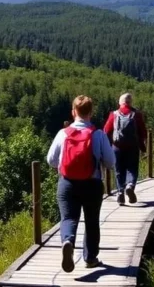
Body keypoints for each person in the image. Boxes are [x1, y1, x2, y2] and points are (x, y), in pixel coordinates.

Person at [46, 95, 116, 273]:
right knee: (91, 221)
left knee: (68, 218)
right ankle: (90, 258)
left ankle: (68, 241)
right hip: (92, 184)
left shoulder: (63, 133)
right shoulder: (98, 134)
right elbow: (111, 162)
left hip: (67, 184)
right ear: (91, 113)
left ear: (73, 112)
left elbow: (51, 160)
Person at [104, 92, 148, 205]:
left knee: (119, 170)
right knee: (132, 169)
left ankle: (120, 193)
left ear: (120, 103)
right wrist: (143, 147)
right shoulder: (136, 114)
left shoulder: (114, 114)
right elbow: (143, 132)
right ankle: (130, 185)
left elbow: (106, 131)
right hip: (133, 147)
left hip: (117, 147)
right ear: (130, 102)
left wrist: (108, 146)